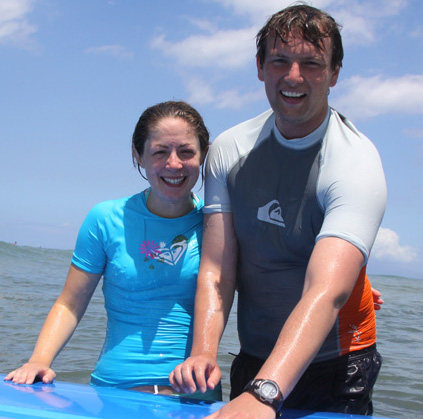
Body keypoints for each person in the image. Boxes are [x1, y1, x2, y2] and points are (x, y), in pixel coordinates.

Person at [169, 4, 387, 418]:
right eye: (280, 61)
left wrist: (265, 394)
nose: (293, 77)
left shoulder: (356, 164)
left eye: (311, 63)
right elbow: (217, 268)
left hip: (339, 363)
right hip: (256, 354)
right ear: (259, 67)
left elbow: (327, 290)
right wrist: (203, 352)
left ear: (336, 73)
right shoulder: (231, 151)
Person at [5, 101, 221, 401]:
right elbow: (70, 304)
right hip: (113, 392)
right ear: (138, 155)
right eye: (160, 152)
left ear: (204, 154)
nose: (174, 164)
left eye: (186, 152)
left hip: (195, 395)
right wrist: (40, 360)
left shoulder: (217, 224)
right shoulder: (106, 219)